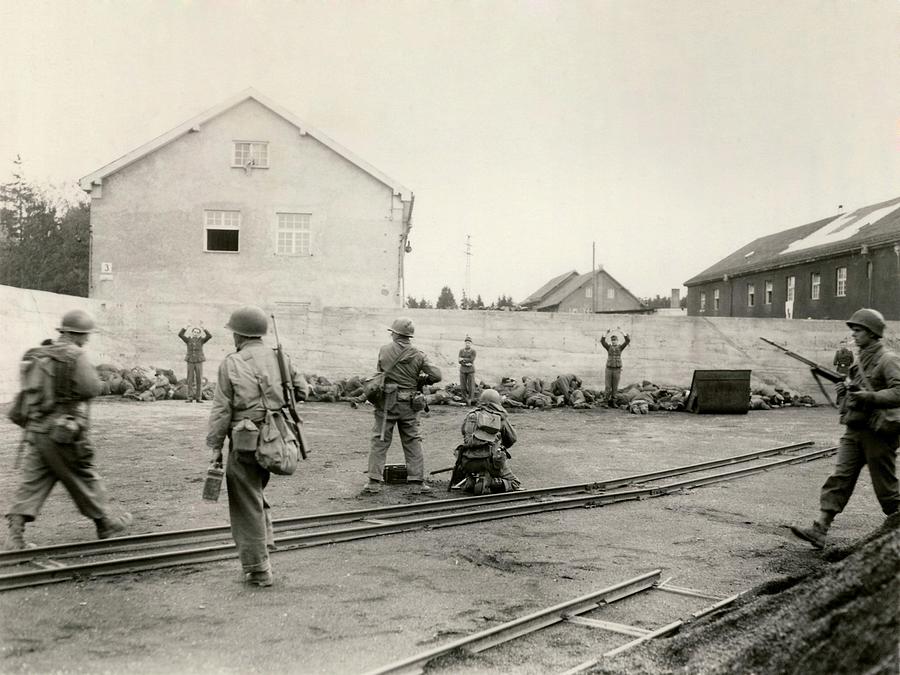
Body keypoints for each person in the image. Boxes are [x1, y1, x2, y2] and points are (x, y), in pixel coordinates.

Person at [4, 310, 132, 549]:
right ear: (79, 335)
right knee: (84, 474)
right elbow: (91, 388)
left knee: (33, 481)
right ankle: (105, 524)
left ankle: (15, 536)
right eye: (86, 336)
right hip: (63, 433)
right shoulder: (75, 356)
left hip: (36, 431)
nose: (87, 340)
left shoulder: (40, 353)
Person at [206, 306, 309, 586]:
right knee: (254, 492)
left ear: (239, 335)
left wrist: (215, 446)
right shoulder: (281, 357)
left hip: (245, 440)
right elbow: (302, 391)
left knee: (245, 501)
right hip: (277, 437)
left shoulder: (232, 363)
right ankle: (265, 544)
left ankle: (258, 567)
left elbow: (221, 410)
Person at [791, 308, 900, 549]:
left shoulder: (887, 359)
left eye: (858, 331)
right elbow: (854, 393)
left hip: (878, 433)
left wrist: (869, 397)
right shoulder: (859, 360)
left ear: (872, 333)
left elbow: (899, 392)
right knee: (840, 478)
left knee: (887, 490)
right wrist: (845, 393)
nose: (854, 335)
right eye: (853, 331)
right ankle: (820, 528)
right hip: (855, 429)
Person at [364, 317, 442, 494]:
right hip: (410, 404)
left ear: (395, 334)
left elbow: (380, 374)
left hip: (387, 404)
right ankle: (416, 483)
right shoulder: (419, 354)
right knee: (413, 440)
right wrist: (422, 379)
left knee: (380, 440)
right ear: (409, 336)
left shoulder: (384, 350)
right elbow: (437, 375)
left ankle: (374, 483)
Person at [453, 389, 521, 493]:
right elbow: (512, 438)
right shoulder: (500, 416)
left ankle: (470, 480)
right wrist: (500, 447)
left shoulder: (471, 415)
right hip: (491, 462)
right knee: (514, 483)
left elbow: (464, 434)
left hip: (467, 461)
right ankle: (490, 482)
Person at [178, 323, 213, 402]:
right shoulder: (188, 340)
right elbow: (180, 334)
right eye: (194, 332)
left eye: (197, 332)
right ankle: (190, 398)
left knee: (199, 379)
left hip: (199, 361)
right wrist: (186, 327)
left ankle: (198, 398)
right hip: (190, 360)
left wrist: (204, 328)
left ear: (199, 334)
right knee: (190, 379)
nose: (196, 333)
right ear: (192, 333)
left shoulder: (201, 340)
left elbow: (209, 336)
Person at [601, 329, 631, 403]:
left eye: (615, 340)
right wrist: (606, 333)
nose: (614, 341)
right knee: (608, 386)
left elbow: (627, 341)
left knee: (615, 387)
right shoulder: (609, 348)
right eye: (612, 340)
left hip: (617, 370)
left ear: (617, 341)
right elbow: (602, 342)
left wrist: (622, 332)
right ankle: (605, 402)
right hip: (609, 369)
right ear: (611, 341)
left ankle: (613, 402)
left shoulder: (620, 348)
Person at [458, 336, 477, 405]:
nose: (467, 344)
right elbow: (459, 361)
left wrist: (463, 359)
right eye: (466, 343)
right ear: (464, 343)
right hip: (462, 370)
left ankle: (470, 399)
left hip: (470, 370)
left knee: (471, 385)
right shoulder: (461, 351)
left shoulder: (473, 351)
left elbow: (472, 359)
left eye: (469, 343)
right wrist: (466, 363)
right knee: (463, 386)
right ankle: (464, 398)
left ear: (471, 344)